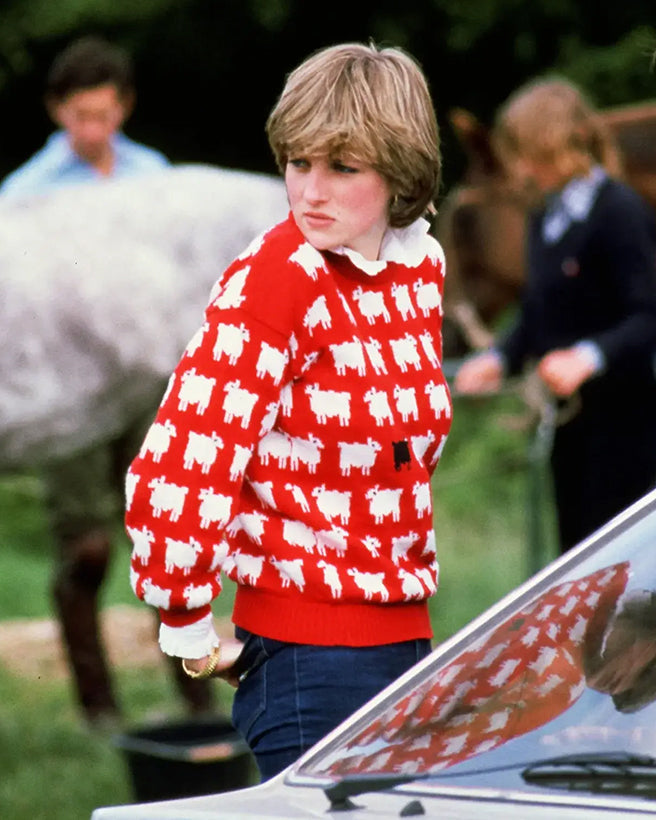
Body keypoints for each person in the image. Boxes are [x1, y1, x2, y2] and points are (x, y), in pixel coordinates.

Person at [126, 41, 451, 780]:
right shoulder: (279, 274)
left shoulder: (419, 267)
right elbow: (184, 457)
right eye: (298, 163)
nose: (311, 192)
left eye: (342, 167)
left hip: (406, 644)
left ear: (400, 171)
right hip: (308, 663)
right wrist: (187, 624)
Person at [0, 35, 215, 728]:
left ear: (121, 108)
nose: (91, 129)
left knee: (167, 536)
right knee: (88, 547)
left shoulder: (156, 181)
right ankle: (100, 711)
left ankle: (196, 697)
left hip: (147, 384)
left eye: (103, 114)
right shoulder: (24, 198)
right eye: (78, 115)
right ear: (57, 111)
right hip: (68, 396)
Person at [455, 77, 656, 553]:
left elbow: (648, 315)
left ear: (559, 146)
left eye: (527, 153)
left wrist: (587, 357)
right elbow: (539, 312)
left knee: (621, 564)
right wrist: (500, 358)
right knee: (576, 553)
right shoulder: (544, 216)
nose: (520, 166)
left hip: (625, 431)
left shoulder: (620, 212)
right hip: (572, 430)